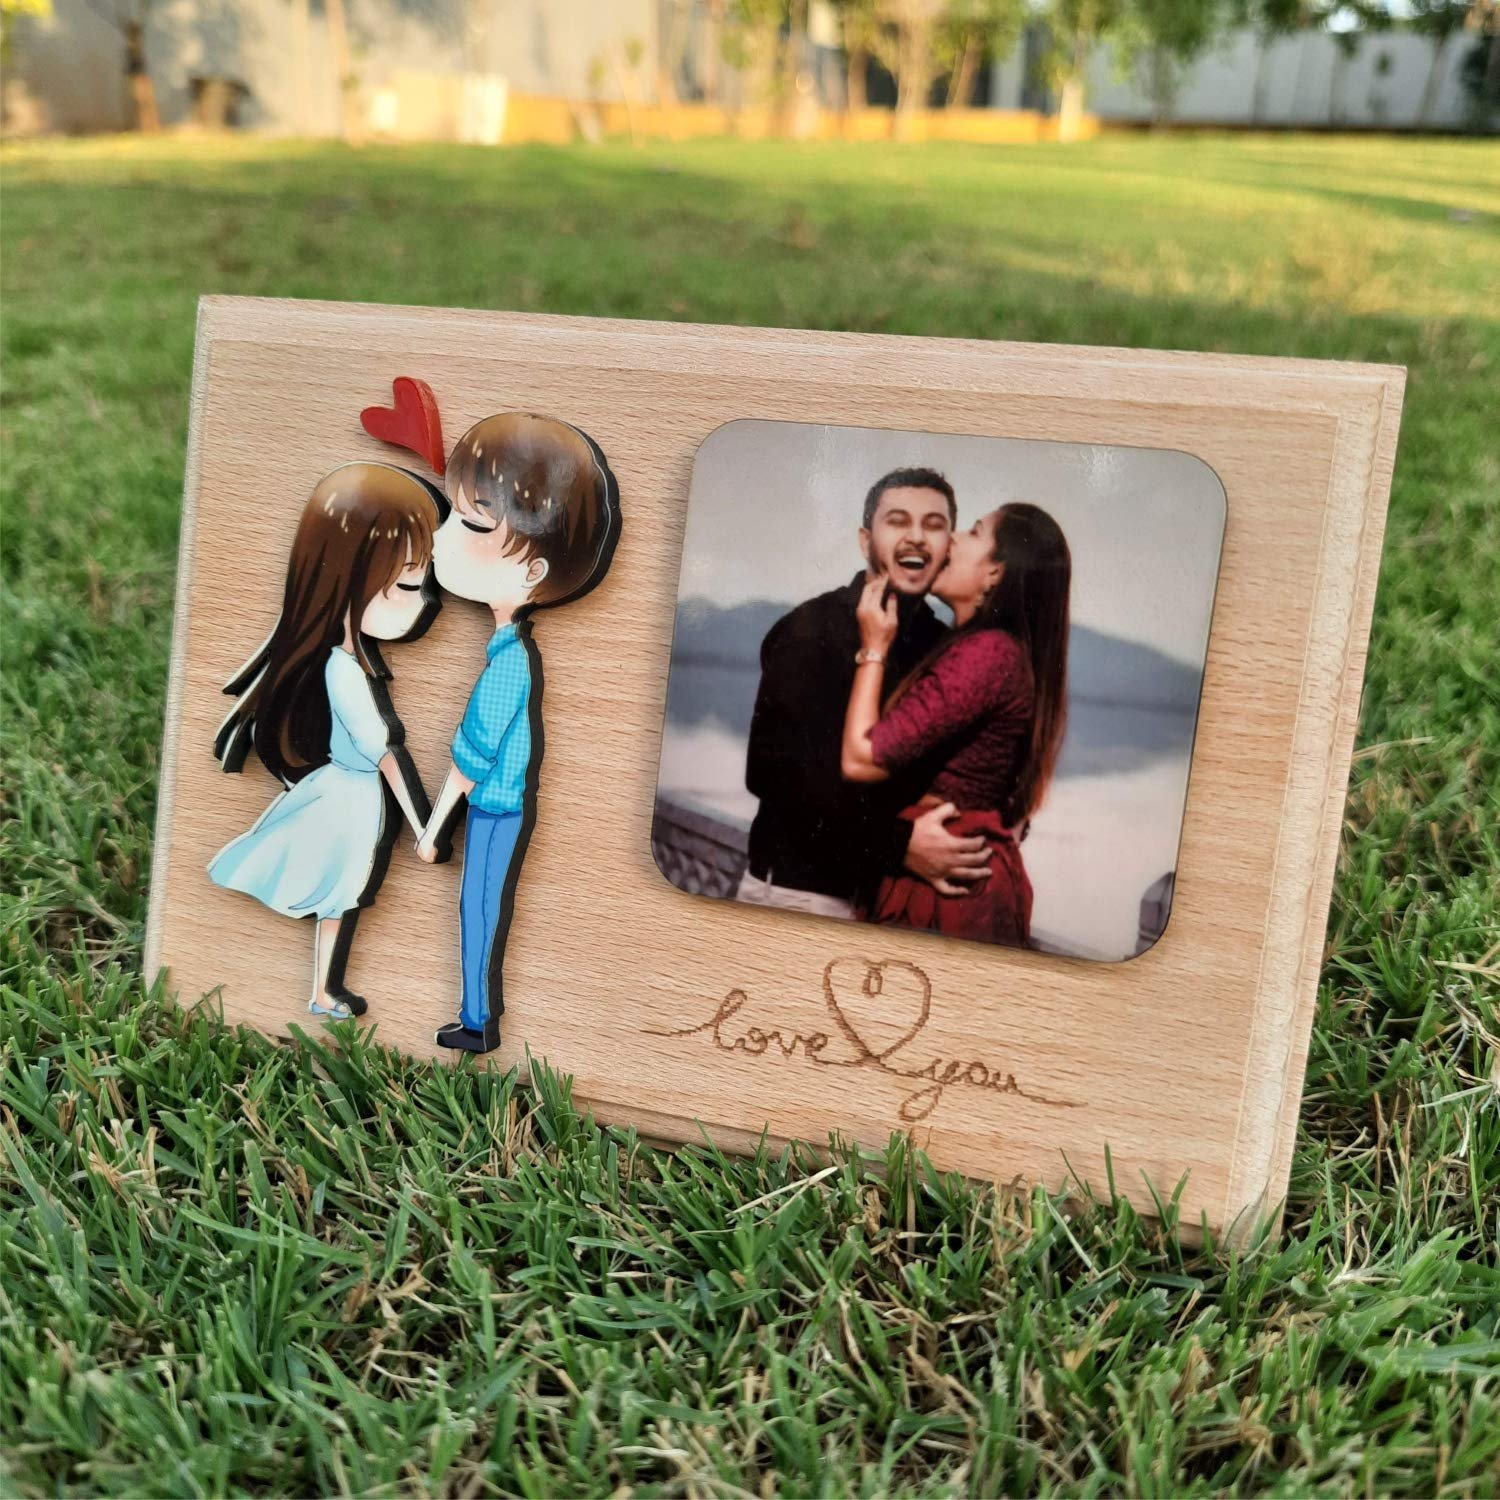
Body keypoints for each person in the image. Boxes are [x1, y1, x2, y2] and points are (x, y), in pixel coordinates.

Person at [414, 412, 620, 1055]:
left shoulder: (509, 666)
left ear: (532, 571)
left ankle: (477, 1021)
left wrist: (433, 829)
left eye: (471, 525)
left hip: (495, 811)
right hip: (496, 809)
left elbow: (472, 756)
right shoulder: (507, 655)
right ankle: (473, 1015)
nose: (441, 537)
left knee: (479, 909)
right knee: (477, 910)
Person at [209, 462, 442, 1018]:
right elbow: (386, 755)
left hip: (349, 798)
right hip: (348, 801)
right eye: (408, 586)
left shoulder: (348, 666)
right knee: (338, 894)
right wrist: (425, 829)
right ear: (350, 580)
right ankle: (322, 989)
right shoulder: (343, 672)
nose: (426, 602)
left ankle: (322, 990)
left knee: (341, 898)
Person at [740, 468, 994, 920]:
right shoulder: (810, 630)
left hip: (891, 904)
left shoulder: (943, 647)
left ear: (948, 547)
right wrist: (900, 847)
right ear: (865, 541)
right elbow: (772, 778)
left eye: (934, 525)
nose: (917, 537)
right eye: (898, 521)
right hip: (800, 897)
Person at [840, 502, 1071, 948]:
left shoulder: (988, 654)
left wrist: (874, 647)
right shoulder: (983, 648)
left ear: (995, 572)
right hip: (948, 871)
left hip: (946, 893)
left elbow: (861, 758)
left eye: (973, 532)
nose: (952, 539)